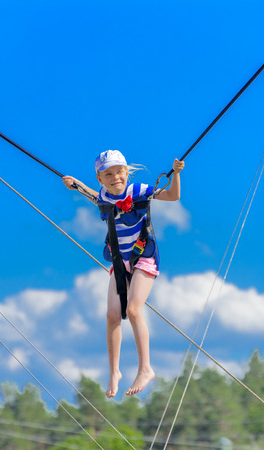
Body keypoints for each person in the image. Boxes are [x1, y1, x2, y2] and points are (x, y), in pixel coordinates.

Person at [63, 150, 185, 398]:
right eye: (108, 174)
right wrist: (75, 184)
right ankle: (114, 371)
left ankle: (146, 368)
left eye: (119, 172)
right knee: (111, 315)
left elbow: (173, 196)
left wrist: (177, 174)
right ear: (100, 178)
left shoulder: (140, 190)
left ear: (127, 173)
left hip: (144, 257)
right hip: (121, 262)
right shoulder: (103, 197)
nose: (115, 177)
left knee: (132, 309)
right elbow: (92, 195)